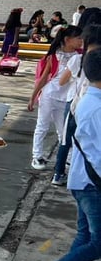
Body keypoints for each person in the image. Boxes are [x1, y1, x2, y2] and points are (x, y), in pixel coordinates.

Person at [21, 47, 101, 261]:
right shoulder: (97, 107)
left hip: (83, 180)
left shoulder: (88, 99)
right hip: (93, 185)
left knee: (86, 237)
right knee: (98, 242)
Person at [28, 26, 83, 171]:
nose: (81, 41)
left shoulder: (80, 56)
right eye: (78, 38)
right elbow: (44, 78)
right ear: (67, 39)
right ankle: (37, 155)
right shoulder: (54, 55)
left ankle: (68, 158)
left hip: (66, 98)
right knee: (42, 126)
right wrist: (33, 97)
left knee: (63, 131)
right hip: (49, 95)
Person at [54, 18, 101, 185]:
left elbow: (62, 81)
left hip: (74, 105)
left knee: (66, 141)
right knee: (88, 144)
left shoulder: (77, 59)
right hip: (92, 105)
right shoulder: (96, 58)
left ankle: (58, 174)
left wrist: (76, 78)